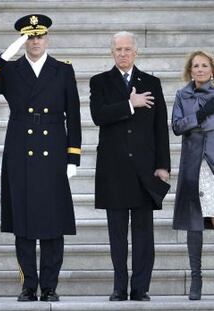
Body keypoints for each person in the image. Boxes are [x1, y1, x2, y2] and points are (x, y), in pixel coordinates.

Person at [0, 14, 81, 302]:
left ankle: (50, 285)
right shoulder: (11, 69)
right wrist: (6, 55)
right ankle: (29, 285)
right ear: (23, 40)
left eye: (39, 36)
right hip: (21, 149)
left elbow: (75, 115)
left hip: (54, 149)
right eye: (29, 37)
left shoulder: (63, 69)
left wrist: (73, 158)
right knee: (24, 222)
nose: (35, 42)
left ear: (47, 38)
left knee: (53, 223)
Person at [89, 31, 171, 302]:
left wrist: (162, 165)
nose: (122, 54)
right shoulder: (99, 82)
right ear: (111, 52)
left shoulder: (151, 82)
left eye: (127, 49)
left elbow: (160, 127)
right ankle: (118, 287)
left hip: (145, 170)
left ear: (136, 52)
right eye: (118, 49)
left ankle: (140, 288)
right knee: (117, 234)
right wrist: (129, 104)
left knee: (143, 234)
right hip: (113, 169)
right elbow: (98, 116)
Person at [172, 50, 214, 300]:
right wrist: (201, 115)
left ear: (212, 69)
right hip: (193, 164)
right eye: (196, 66)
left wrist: (196, 122)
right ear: (190, 70)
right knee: (194, 224)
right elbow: (177, 126)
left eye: (204, 65)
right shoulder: (182, 95)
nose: (199, 69)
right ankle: (196, 279)